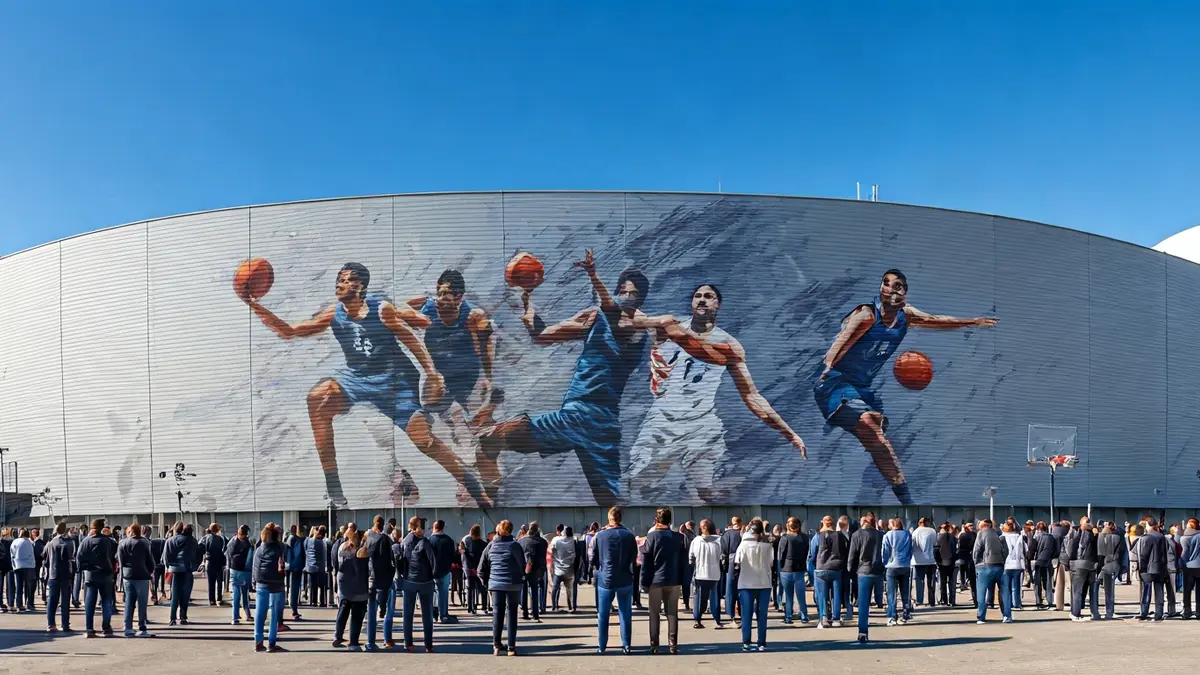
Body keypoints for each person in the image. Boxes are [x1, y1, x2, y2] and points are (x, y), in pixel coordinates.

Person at [477, 249, 733, 507]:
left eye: (633, 294)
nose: (627, 296)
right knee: (612, 505)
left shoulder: (635, 324)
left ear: (641, 300)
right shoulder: (594, 318)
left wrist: (593, 275)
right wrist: (527, 299)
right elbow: (542, 335)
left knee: (489, 438)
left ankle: (493, 505)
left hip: (582, 417)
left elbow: (613, 312)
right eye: (623, 290)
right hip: (602, 427)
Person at [243, 263, 494, 509]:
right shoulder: (335, 313)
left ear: (360, 285)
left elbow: (411, 340)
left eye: (346, 280)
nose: (339, 285)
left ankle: (475, 489)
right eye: (338, 280)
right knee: (317, 398)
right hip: (357, 378)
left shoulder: (381, 309)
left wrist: (431, 373)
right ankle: (334, 489)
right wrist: (256, 306)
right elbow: (290, 331)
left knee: (425, 442)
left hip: (395, 381)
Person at [814, 269, 996, 504]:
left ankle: (902, 495)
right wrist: (827, 364)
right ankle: (908, 502)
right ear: (881, 288)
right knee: (873, 430)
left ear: (904, 294)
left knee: (880, 440)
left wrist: (973, 322)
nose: (890, 288)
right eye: (886, 283)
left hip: (862, 388)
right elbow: (842, 339)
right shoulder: (866, 315)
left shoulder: (905, 316)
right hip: (834, 382)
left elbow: (935, 320)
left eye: (897, 285)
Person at [628, 284, 806, 504]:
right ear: (692, 302)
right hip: (664, 419)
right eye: (697, 296)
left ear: (717, 304)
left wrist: (790, 433)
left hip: (702, 423)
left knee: (706, 491)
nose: (702, 300)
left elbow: (751, 396)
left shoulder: (728, 345)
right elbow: (632, 319)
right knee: (637, 483)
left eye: (708, 296)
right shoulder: (668, 326)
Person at [593, 506, 637, 654]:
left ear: (609, 518)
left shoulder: (600, 536)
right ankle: (626, 644)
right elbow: (633, 557)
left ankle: (602, 646)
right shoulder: (629, 535)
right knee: (625, 613)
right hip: (625, 579)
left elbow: (593, 557)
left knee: (603, 615)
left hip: (606, 579)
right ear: (620, 518)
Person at [642, 507, 685, 654]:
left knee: (654, 613)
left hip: (655, 580)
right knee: (672, 613)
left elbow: (646, 562)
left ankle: (655, 644)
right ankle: (673, 644)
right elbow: (683, 562)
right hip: (674, 580)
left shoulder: (652, 537)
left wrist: (643, 582)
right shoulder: (679, 537)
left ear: (656, 520)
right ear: (670, 520)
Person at [480, 519, 525, 656]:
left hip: (495, 584)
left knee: (497, 614)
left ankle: (496, 645)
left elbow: (481, 568)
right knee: (512, 613)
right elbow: (521, 564)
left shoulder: (490, 546)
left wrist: (487, 583)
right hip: (513, 584)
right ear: (511, 530)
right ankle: (511, 647)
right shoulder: (515, 545)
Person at [399, 516, 437, 652]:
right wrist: (433, 577)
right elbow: (433, 561)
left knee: (408, 614)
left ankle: (408, 643)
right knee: (427, 614)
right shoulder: (425, 542)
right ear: (417, 528)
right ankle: (428, 645)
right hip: (425, 582)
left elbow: (401, 560)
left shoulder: (404, 541)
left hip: (409, 580)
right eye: (422, 526)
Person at [734, 519, 773, 652]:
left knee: (746, 614)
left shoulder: (742, 545)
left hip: (745, 582)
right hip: (764, 582)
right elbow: (771, 563)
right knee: (762, 614)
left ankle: (746, 642)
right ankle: (761, 642)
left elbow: (737, 562)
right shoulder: (767, 546)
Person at [847, 513, 883, 644]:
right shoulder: (880, 535)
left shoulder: (857, 535)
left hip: (863, 571)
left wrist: (850, 571)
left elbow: (852, 555)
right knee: (878, 598)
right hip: (878, 570)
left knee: (863, 604)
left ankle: (862, 632)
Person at [77, 519, 117, 637]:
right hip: (106, 574)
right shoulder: (109, 541)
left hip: (91, 574)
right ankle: (106, 626)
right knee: (106, 601)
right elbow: (115, 555)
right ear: (102, 527)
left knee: (90, 602)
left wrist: (83, 568)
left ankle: (89, 628)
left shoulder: (86, 541)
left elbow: (79, 557)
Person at [249, 523, 286, 652]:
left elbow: (255, 565)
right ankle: (271, 643)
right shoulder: (282, 547)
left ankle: (258, 641)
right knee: (275, 613)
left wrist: (254, 581)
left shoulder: (259, 548)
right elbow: (288, 564)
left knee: (260, 612)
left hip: (261, 581)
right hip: (277, 582)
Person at [332, 528, 369, 649]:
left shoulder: (342, 547)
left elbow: (337, 564)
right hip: (358, 586)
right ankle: (353, 641)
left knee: (343, 611)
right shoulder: (361, 551)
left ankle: (337, 636)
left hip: (344, 584)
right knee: (357, 615)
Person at [364, 515, 396, 650]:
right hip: (383, 579)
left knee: (371, 611)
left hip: (370, 578)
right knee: (388, 610)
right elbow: (388, 560)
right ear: (383, 525)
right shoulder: (385, 539)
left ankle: (370, 641)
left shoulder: (366, 538)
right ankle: (387, 638)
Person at [117, 523, 154, 637]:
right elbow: (149, 560)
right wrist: (150, 571)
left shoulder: (122, 543)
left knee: (129, 601)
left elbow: (120, 560)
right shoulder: (144, 543)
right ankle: (142, 627)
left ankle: (128, 627)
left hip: (127, 575)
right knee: (142, 602)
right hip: (142, 575)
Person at [973, 519, 1010, 624]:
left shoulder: (981, 534)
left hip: (985, 566)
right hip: (1000, 566)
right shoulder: (1000, 534)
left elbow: (976, 551)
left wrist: (977, 564)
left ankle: (981, 617)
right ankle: (1007, 616)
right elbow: (1006, 551)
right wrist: (1002, 561)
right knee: (1004, 593)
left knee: (982, 593)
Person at [813, 515, 847, 628]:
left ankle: (824, 618)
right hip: (836, 567)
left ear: (823, 523)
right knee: (836, 595)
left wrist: (812, 569)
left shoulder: (817, 536)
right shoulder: (840, 536)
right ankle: (836, 619)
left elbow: (812, 554)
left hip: (821, 567)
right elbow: (845, 551)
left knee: (822, 595)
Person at [689, 518, 724, 629]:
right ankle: (716, 619)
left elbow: (691, 557)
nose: (700, 528)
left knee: (699, 599)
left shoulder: (696, 540)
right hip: (714, 574)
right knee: (714, 598)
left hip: (700, 573)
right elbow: (722, 557)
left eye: (702, 526)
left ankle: (698, 619)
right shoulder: (719, 540)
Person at [162, 522, 198, 625]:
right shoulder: (192, 541)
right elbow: (196, 554)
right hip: (187, 570)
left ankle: (172, 618)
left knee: (175, 595)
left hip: (174, 570)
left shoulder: (170, 541)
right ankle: (183, 617)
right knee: (185, 595)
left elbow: (165, 557)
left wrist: (168, 566)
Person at [776, 516, 809, 625]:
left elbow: (780, 555)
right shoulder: (804, 537)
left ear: (787, 526)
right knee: (801, 595)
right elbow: (806, 553)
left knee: (788, 596)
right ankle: (804, 616)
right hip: (800, 569)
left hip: (786, 569)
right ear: (799, 525)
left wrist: (779, 569)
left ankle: (788, 617)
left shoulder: (785, 538)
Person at [1066, 517, 1100, 621]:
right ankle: (1094, 613)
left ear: (1081, 525)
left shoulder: (1077, 535)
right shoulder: (1095, 536)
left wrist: (1070, 563)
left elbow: (1072, 550)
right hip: (1092, 565)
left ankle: (1075, 613)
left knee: (1077, 591)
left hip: (1079, 564)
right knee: (1093, 591)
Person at [44, 522, 75, 633]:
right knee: (65, 601)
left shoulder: (50, 543)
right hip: (65, 574)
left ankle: (51, 624)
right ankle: (65, 624)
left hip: (52, 574)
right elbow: (71, 557)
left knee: (52, 601)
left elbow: (45, 558)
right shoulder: (69, 542)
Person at [881, 518, 913, 625]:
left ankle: (892, 616)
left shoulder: (888, 535)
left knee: (891, 593)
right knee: (905, 591)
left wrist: (884, 562)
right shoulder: (907, 534)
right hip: (905, 565)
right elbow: (910, 549)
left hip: (891, 565)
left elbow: (885, 551)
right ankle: (905, 612)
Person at [1136, 518, 1169, 621]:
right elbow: (1165, 551)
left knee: (1147, 590)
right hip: (1160, 567)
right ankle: (1159, 612)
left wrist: (1140, 568)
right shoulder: (1161, 536)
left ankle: (1144, 612)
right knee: (1159, 591)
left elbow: (1143, 554)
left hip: (1148, 568)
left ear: (1148, 525)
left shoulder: (1147, 537)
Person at [428, 520, 457, 623]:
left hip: (431, 571)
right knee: (443, 593)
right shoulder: (449, 540)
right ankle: (443, 614)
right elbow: (453, 556)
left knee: (431, 594)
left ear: (434, 527)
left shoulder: (429, 540)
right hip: (445, 570)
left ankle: (432, 615)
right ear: (443, 527)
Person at [518, 522, 547, 622]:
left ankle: (524, 612)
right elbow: (543, 557)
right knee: (535, 592)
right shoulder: (542, 542)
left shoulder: (521, 541)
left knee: (523, 590)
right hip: (536, 570)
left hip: (522, 569)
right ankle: (535, 614)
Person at [225, 525, 254, 624]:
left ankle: (235, 617)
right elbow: (250, 560)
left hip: (234, 569)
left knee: (237, 595)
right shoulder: (249, 544)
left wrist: (229, 568)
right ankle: (247, 614)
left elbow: (228, 555)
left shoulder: (232, 542)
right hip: (244, 571)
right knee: (244, 594)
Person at [1097, 522, 1126, 620]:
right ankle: (1109, 611)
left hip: (1103, 564)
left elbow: (1099, 554)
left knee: (1100, 588)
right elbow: (1122, 552)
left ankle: (1097, 610)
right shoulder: (1118, 538)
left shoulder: (1099, 538)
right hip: (1114, 563)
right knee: (1110, 590)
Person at [720, 516, 743, 624]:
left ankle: (731, 613)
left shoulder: (727, 534)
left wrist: (724, 568)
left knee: (730, 590)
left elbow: (723, 552)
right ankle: (742, 611)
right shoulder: (745, 533)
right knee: (743, 589)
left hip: (731, 563)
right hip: (744, 563)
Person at [198, 523, 227, 607]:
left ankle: (212, 600)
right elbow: (223, 550)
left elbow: (201, 548)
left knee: (211, 582)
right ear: (217, 530)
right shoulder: (220, 539)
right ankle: (219, 598)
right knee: (219, 581)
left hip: (209, 561)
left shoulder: (205, 538)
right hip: (218, 561)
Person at [911, 517, 937, 608]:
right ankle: (932, 600)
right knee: (931, 582)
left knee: (919, 581)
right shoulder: (932, 531)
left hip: (918, 560)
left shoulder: (915, 532)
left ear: (919, 523)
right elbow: (934, 544)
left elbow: (912, 545)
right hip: (930, 560)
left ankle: (919, 600)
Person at [1000, 522, 1027, 611]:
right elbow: (1025, 550)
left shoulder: (1002, 538)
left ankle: (1009, 604)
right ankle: (1017, 603)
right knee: (1016, 586)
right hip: (1018, 564)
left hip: (1006, 565)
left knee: (1006, 587)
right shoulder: (1019, 537)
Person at [550, 526, 577, 612]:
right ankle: (572, 607)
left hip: (558, 569)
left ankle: (554, 606)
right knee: (570, 590)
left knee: (555, 588)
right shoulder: (574, 540)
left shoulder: (556, 540)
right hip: (570, 569)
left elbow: (551, 550)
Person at [461, 524, 486, 614]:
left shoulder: (467, 543)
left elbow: (464, 555)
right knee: (482, 587)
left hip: (469, 569)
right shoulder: (484, 544)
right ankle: (484, 606)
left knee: (470, 588)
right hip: (480, 569)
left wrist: (469, 567)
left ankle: (470, 607)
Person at [1030, 521, 1055, 609]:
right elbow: (1055, 549)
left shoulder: (1036, 537)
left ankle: (1038, 600)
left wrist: (1031, 559)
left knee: (1037, 582)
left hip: (1038, 561)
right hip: (1048, 561)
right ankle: (1049, 601)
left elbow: (1032, 549)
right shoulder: (1051, 537)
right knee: (1048, 582)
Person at [10, 528, 36, 612]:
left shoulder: (15, 542)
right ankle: (29, 604)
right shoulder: (29, 543)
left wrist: (13, 564)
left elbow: (12, 554)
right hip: (28, 566)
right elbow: (31, 555)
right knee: (29, 586)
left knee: (19, 586)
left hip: (17, 566)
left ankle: (19, 604)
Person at [304, 525, 329, 608]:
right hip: (320, 566)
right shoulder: (322, 542)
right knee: (322, 585)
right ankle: (322, 601)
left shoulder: (307, 541)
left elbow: (305, 550)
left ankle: (313, 601)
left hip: (310, 566)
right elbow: (324, 554)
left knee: (313, 585)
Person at [934, 521, 957, 606]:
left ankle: (944, 600)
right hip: (951, 561)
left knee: (942, 582)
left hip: (942, 562)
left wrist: (937, 560)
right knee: (951, 582)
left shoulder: (938, 538)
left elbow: (936, 550)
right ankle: (952, 600)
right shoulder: (953, 537)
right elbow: (955, 550)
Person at [956, 522, 977, 608]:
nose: (972, 527)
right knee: (967, 575)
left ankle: (964, 583)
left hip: (966, 557)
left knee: (968, 575)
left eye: (972, 525)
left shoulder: (971, 535)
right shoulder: (967, 535)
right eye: (970, 526)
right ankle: (963, 583)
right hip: (967, 557)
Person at [149, 528, 166, 606]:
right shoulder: (165, 542)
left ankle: (154, 596)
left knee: (154, 582)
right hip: (163, 564)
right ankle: (162, 592)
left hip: (155, 564)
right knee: (163, 580)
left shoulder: (151, 543)